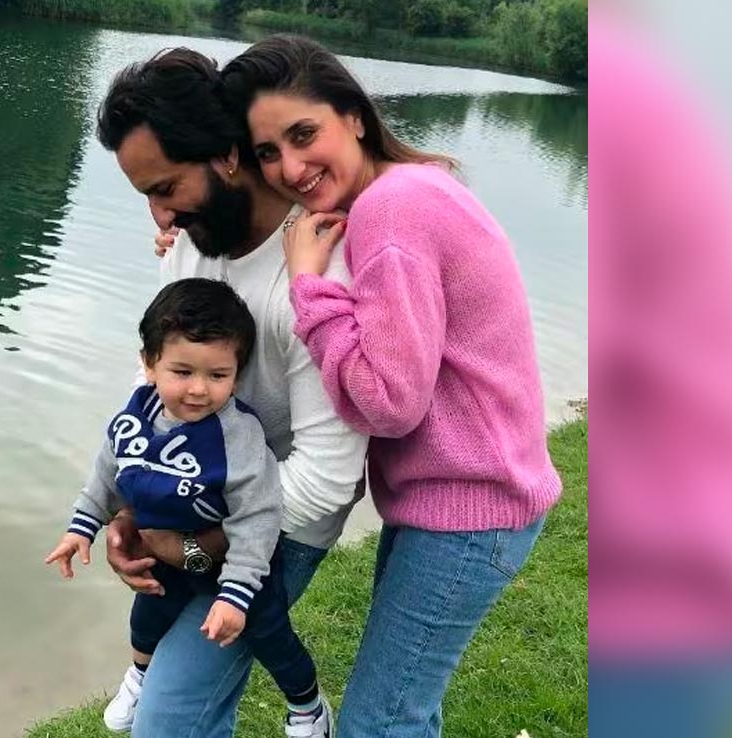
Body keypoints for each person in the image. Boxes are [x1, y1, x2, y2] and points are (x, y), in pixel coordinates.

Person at [212, 35, 564, 737]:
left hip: (469, 508)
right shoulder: (409, 188)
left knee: (379, 722)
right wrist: (186, 230)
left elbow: (390, 403)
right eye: (268, 153)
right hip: (469, 498)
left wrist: (309, 288)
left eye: (303, 135)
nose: (291, 168)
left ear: (354, 116)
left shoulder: (392, 211)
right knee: (406, 710)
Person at [95, 48, 368, 738]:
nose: (161, 215)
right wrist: (131, 506)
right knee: (167, 704)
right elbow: (155, 379)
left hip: (282, 523)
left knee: (168, 722)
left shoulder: (319, 267)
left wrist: (194, 543)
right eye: (147, 195)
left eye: (167, 187)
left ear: (225, 154)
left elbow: (329, 476)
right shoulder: (192, 243)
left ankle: (308, 710)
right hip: (190, 503)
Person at [45, 278, 332, 735]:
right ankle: (139, 676)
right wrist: (82, 527)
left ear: (236, 373)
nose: (199, 389)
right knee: (147, 614)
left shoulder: (237, 435)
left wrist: (235, 593)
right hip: (164, 551)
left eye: (217, 376)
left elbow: (257, 516)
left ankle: (306, 706)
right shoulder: (135, 416)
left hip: (235, 559)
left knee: (269, 635)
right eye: (182, 372)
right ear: (149, 363)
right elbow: (107, 471)